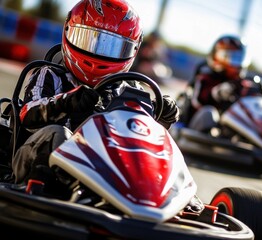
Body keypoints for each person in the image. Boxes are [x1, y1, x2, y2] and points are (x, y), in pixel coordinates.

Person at [11, 0, 180, 187]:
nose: (97, 56)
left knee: (162, 152)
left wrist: (161, 119)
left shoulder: (129, 91)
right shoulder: (49, 74)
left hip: (103, 170)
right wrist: (66, 102)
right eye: (87, 39)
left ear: (133, 49)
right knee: (59, 134)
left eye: (112, 47)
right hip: (36, 162)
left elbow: (140, 140)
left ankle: (171, 193)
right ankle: (51, 190)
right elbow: (26, 114)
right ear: (68, 31)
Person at [179, 35, 262, 131]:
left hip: (232, 129)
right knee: (209, 113)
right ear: (217, 57)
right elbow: (199, 102)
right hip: (201, 128)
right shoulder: (205, 78)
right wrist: (218, 93)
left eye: (240, 58)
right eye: (233, 58)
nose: (237, 64)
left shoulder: (243, 83)